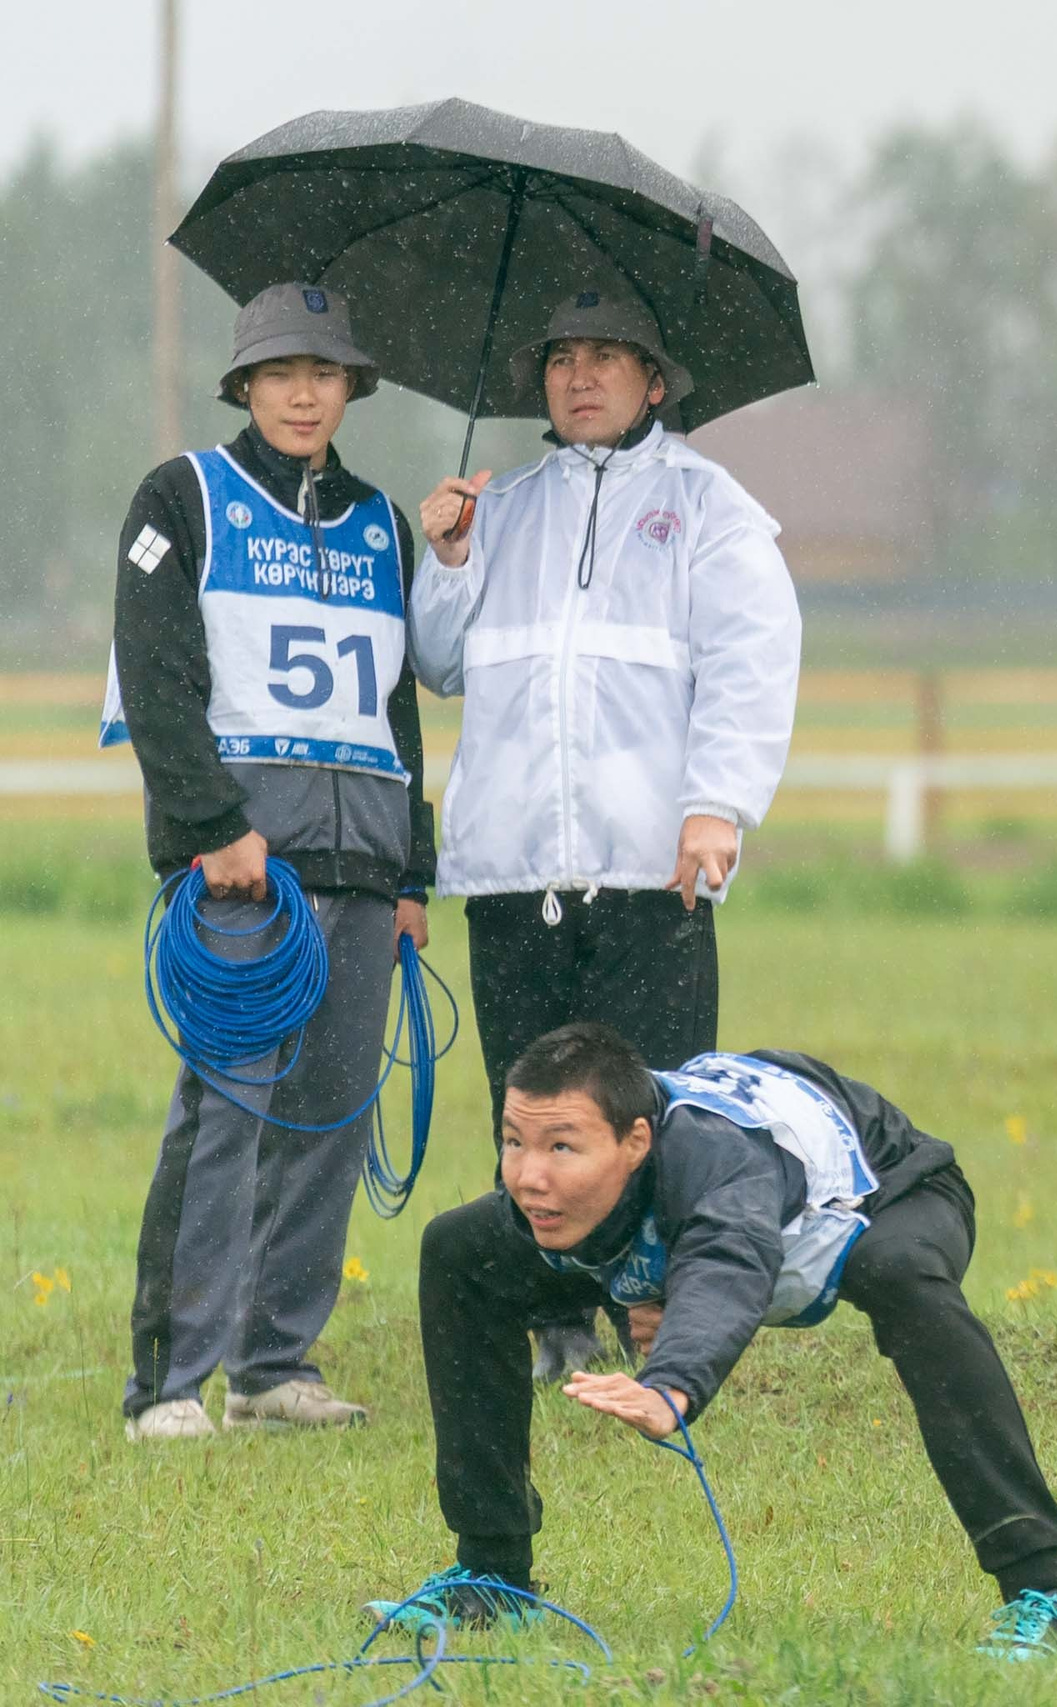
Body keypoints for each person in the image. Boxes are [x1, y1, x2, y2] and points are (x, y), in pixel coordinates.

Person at [366, 1022, 1057, 1663]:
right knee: (459, 1248)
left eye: (561, 1146)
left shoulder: (717, 1164)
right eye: (515, 1141)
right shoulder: (556, 1181)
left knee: (903, 1279)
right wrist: (638, 1291)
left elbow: (727, 1262)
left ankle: (1042, 1592)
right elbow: (641, 1240)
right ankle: (492, 1575)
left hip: (887, 1196)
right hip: (710, 1208)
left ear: (636, 1140)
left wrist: (670, 1380)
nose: (528, 1174)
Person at [409, 288, 802, 1377]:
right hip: (511, 869)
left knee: (653, 1108)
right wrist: (443, 561)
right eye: (562, 357)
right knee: (532, 1116)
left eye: (608, 357)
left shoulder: (712, 509)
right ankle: (549, 1321)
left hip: (649, 872)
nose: (580, 377)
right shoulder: (505, 505)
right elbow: (436, 663)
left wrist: (717, 803)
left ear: (656, 379)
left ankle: (663, 1316)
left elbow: (750, 665)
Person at [105, 282, 436, 1442]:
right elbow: (156, 677)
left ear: (351, 388)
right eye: (283, 372)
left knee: (331, 1117)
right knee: (228, 1112)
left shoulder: (385, 524)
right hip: (246, 869)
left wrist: (413, 875)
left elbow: (396, 706)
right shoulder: (183, 499)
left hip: (362, 867)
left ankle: (271, 1368)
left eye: (327, 372)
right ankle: (169, 1383)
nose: (305, 393)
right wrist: (208, 826)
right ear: (245, 383)